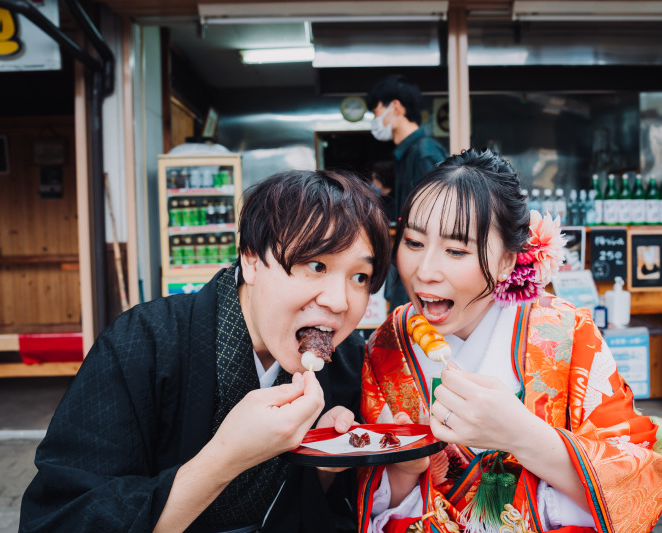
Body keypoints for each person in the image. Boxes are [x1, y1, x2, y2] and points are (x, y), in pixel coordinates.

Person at [19, 169, 391, 532]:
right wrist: (224, 458)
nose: (340, 302)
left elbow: (335, 511)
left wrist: (324, 466)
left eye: (359, 277)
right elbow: (59, 517)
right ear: (250, 259)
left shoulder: (346, 361)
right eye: (316, 265)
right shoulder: (143, 343)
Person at [357, 148, 662, 533]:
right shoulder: (386, 346)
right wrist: (405, 472)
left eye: (456, 250)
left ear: (508, 261)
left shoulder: (564, 332)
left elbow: (635, 483)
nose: (425, 271)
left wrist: (519, 433)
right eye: (413, 243)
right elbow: (378, 497)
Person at [367, 74, 448, 310]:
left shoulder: (424, 153)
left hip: (422, 273)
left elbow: (441, 221)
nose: (375, 120)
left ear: (396, 106)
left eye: (376, 112)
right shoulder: (408, 154)